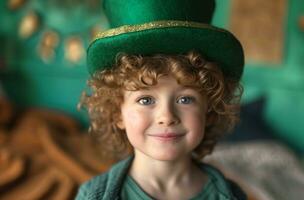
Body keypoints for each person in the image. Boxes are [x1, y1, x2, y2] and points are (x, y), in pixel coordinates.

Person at [76, 0, 246, 199]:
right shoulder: (94, 195)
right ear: (117, 112)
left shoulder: (231, 195)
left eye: (185, 100)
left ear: (209, 110)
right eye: (146, 100)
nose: (166, 117)